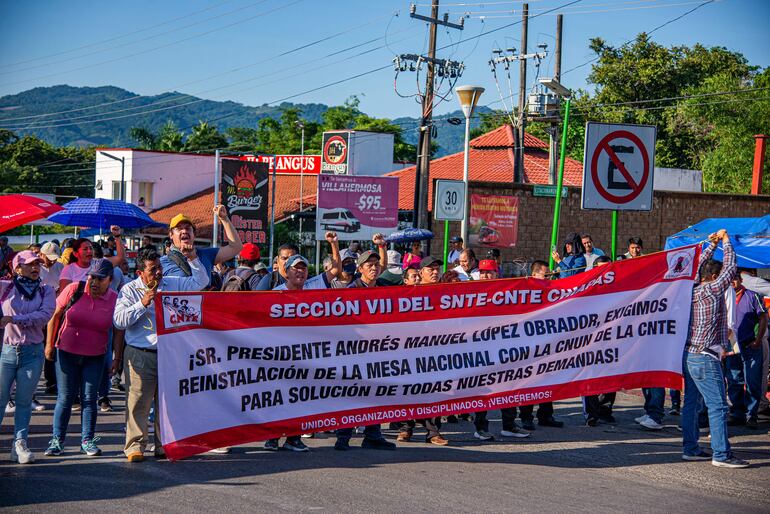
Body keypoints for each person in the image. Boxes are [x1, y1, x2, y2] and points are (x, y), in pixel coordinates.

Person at [113, 247, 210, 462]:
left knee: (167, 403)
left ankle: (163, 444)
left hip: (169, 352)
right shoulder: (129, 290)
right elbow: (119, 321)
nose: (158, 272)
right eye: (153, 269)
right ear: (140, 273)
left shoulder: (171, 283)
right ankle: (135, 446)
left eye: (159, 268)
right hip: (140, 353)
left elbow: (200, 282)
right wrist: (142, 304)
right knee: (138, 401)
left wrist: (192, 258)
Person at [681, 229, 749, 468]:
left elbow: (698, 265)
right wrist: (727, 241)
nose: (727, 280)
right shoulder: (711, 290)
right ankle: (721, 454)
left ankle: (690, 447)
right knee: (718, 406)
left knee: (691, 403)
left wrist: (712, 245)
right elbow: (730, 268)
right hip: (705, 357)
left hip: (690, 353)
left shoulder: (691, 288)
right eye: (720, 276)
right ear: (713, 277)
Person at [43, 259, 118, 458]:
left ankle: (87, 441)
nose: (94, 282)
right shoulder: (74, 289)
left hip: (95, 356)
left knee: (89, 399)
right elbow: (54, 315)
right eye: (91, 277)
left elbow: (118, 330)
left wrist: (116, 357)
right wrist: (49, 344)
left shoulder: (114, 299)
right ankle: (57, 441)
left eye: (100, 279)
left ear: (110, 280)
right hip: (66, 352)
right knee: (65, 398)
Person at [334, 250, 396, 451]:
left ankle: (372, 434)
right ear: (360, 269)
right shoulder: (351, 290)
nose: (374, 267)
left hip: (379, 350)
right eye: (369, 265)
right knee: (352, 393)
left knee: (376, 392)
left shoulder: (386, 288)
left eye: (376, 264)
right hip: (356, 350)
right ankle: (343, 435)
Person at [0, 250, 56, 464]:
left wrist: (13, 318)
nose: (35, 267)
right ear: (16, 268)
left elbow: (44, 316)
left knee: (23, 402)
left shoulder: (46, 291)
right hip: (6, 351)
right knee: (0, 400)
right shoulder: (5, 288)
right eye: (30, 264)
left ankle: (19, 445)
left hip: (32, 352)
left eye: (38, 264)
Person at [472, 259, 530, 441]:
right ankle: (480, 427)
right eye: (482, 272)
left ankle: (509, 425)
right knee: (483, 390)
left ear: (497, 273)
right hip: (480, 351)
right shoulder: (471, 293)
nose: (485, 276)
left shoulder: (506, 292)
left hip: (503, 349)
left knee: (508, 388)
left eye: (489, 272)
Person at [518, 260, 564, 430]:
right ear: (534, 275)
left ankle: (546, 414)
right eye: (546, 275)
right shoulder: (526, 293)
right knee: (529, 382)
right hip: (530, 345)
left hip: (548, 343)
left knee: (547, 379)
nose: (548, 278)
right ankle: (526, 416)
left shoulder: (552, 292)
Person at [724, 273, 767, 429]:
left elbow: (763, 318)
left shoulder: (753, 296)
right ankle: (737, 414)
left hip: (750, 346)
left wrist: (758, 339)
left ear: (741, 280)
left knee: (752, 381)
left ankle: (751, 415)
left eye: (735, 278)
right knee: (734, 381)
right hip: (731, 348)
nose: (732, 281)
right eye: (730, 278)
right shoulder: (723, 296)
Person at [161, 206, 242, 282]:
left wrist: (224, 219)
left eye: (188, 228)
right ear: (171, 235)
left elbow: (236, 247)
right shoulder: (161, 263)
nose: (184, 231)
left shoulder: (205, 254)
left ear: (194, 234)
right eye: (179, 229)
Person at [582, 255, 617, 426]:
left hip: (612, 339)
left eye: (608, 268)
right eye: (601, 268)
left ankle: (605, 410)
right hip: (590, 341)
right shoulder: (586, 286)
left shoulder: (620, 287)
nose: (605, 272)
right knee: (590, 378)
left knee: (610, 378)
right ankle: (591, 413)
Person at [59, 226, 125, 292]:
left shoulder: (98, 263)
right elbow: (65, 294)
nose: (89, 251)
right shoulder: (68, 269)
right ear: (76, 253)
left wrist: (117, 236)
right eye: (85, 249)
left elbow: (120, 258)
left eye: (91, 248)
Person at [39, 242, 63, 394]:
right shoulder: (36, 267)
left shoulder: (60, 267)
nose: (52, 261)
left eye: (54, 258)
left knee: (51, 346)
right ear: (41, 254)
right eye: (49, 258)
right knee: (38, 348)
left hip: (54, 313)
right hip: (37, 312)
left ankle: (51, 381)